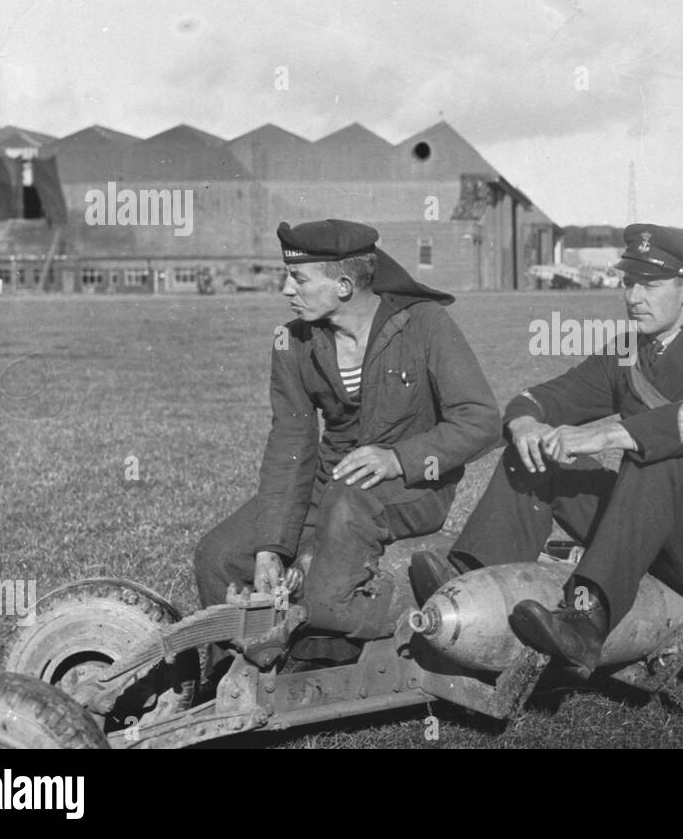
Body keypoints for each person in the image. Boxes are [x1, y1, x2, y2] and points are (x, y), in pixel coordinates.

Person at [409, 224, 683, 677]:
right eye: (629, 283)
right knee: (536, 453)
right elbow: (546, 397)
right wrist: (526, 423)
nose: (633, 297)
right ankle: (469, 574)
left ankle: (585, 625)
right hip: (644, 530)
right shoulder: (626, 353)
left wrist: (610, 434)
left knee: (657, 459)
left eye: (650, 285)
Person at [194, 219, 499, 658]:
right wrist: (269, 547)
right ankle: (238, 672)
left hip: (411, 486)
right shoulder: (292, 342)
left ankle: (359, 639)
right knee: (220, 556)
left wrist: (398, 458)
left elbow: (480, 420)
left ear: (343, 286)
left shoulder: (424, 324)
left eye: (298, 278)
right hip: (331, 485)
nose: (286, 289)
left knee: (325, 588)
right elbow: (290, 445)